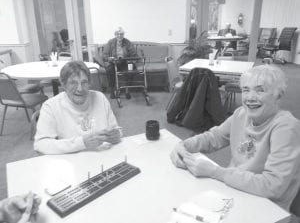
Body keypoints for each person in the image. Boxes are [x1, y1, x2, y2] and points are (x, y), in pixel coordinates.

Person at [170, 65, 300, 211]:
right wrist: (184, 145)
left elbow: (272, 186)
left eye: (260, 90)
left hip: (267, 205)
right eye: (246, 90)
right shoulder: (241, 114)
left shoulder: (286, 128)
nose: (250, 97)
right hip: (235, 188)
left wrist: (215, 172)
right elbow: (215, 136)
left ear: (279, 95)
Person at [34, 61, 122, 155]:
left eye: (84, 82)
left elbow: (116, 129)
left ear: (89, 84)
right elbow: (40, 145)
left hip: (104, 158)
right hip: (70, 164)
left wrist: (116, 135)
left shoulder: (100, 98)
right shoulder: (50, 107)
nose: (80, 89)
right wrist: (81, 143)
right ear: (63, 85)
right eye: (73, 83)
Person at [102, 27, 138, 99]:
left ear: (123, 35)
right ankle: (113, 90)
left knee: (131, 70)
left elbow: (134, 54)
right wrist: (110, 59)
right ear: (115, 35)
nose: (119, 36)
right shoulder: (110, 42)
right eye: (117, 34)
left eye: (121, 34)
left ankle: (127, 90)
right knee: (109, 70)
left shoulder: (127, 42)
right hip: (114, 62)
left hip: (125, 62)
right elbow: (104, 55)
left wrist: (130, 60)